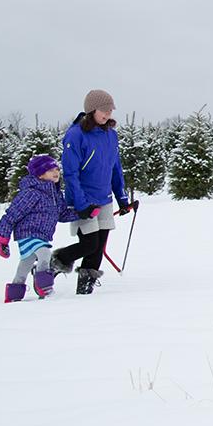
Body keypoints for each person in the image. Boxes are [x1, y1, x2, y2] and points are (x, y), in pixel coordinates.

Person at [53, 90, 138, 295]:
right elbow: (71, 173)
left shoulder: (110, 135)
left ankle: (86, 289)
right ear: (92, 109)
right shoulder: (76, 135)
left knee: (99, 246)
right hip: (84, 199)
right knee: (89, 244)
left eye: (110, 110)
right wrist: (81, 205)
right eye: (104, 110)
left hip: (104, 198)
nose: (108, 114)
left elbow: (115, 168)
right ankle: (55, 262)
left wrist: (122, 199)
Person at [0, 154, 77, 302]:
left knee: (25, 264)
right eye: (50, 169)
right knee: (45, 254)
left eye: (57, 168)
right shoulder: (31, 192)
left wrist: (83, 214)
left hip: (42, 235)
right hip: (27, 233)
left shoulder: (55, 194)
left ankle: (14, 294)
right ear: (40, 173)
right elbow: (11, 214)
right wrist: (2, 238)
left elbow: (62, 214)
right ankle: (44, 287)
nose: (56, 172)